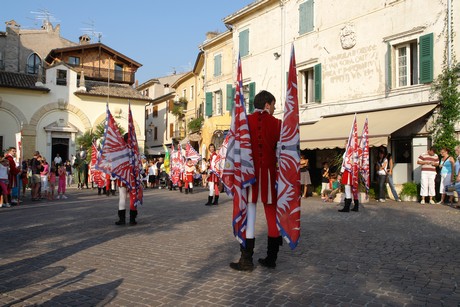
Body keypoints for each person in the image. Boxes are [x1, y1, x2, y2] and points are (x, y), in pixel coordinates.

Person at [230, 90, 282, 271]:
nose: (275, 109)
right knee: (271, 215)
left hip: (249, 174)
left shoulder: (244, 122)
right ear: (267, 104)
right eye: (274, 105)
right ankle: (271, 258)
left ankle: (246, 260)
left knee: (249, 214)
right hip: (269, 174)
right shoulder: (278, 124)